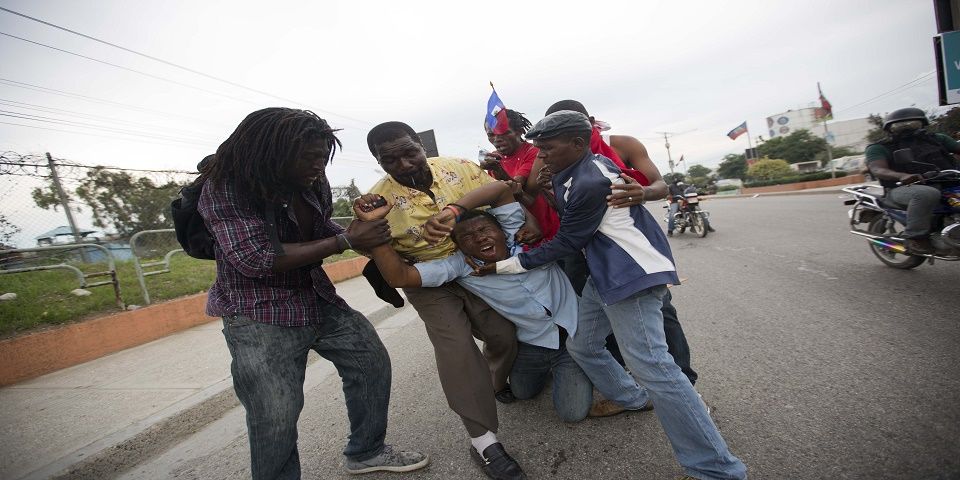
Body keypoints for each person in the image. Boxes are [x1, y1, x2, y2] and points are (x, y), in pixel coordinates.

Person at [475, 111, 747, 480]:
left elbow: (567, 240)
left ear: (578, 143)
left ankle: (717, 469)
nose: (541, 156)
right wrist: (548, 190)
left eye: (548, 148)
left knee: (656, 368)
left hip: (629, 275)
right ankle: (635, 398)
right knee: (584, 345)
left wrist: (504, 266)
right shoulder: (575, 170)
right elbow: (578, 218)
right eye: (539, 148)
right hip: (604, 273)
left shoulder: (590, 180)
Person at [196, 108, 428, 479]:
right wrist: (345, 240)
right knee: (276, 411)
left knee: (370, 362)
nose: (319, 166)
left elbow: (320, 227)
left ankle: (366, 452)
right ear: (274, 154)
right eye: (309, 158)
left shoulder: (311, 179)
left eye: (323, 157)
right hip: (258, 313)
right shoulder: (226, 187)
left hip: (314, 296)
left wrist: (368, 239)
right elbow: (255, 258)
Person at [365, 121, 531, 480]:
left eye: (410, 152)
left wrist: (523, 223)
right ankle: (484, 442)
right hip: (427, 280)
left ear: (421, 145)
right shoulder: (377, 202)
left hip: (476, 268)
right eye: (390, 160)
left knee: (502, 334)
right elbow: (375, 251)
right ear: (378, 162)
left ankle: (494, 382)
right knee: (456, 348)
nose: (404, 164)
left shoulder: (461, 168)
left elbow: (502, 195)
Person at [355, 180, 592, 426]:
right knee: (523, 392)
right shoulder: (461, 266)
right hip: (534, 343)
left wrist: (454, 210)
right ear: (459, 248)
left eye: (484, 230)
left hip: (574, 336)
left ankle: (578, 365)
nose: (479, 238)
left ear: (502, 230)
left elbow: (501, 190)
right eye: (467, 237)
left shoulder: (519, 234)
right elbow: (400, 277)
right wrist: (374, 228)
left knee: (572, 412)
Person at [540, 100, 700, 398]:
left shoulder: (623, 145)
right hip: (584, 247)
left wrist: (643, 192)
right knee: (598, 320)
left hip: (627, 247)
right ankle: (629, 381)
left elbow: (660, 185)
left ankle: (682, 383)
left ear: (589, 122)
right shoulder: (553, 156)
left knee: (662, 311)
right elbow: (568, 209)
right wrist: (550, 190)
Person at [865, 107, 960, 254]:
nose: (907, 128)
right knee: (926, 194)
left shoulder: (938, 139)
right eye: (899, 125)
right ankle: (915, 238)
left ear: (922, 124)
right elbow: (877, 169)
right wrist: (901, 176)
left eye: (913, 123)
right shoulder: (879, 147)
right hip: (901, 188)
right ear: (889, 128)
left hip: (946, 181)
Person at [480, 109, 560, 245]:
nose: (497, 139)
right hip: (519, 232)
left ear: (520, 131)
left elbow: (516, 189)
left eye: (504, 133)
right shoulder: (494, 159)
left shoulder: (535, 153)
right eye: (491, 135)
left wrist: (497, 169)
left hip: (547, 228)